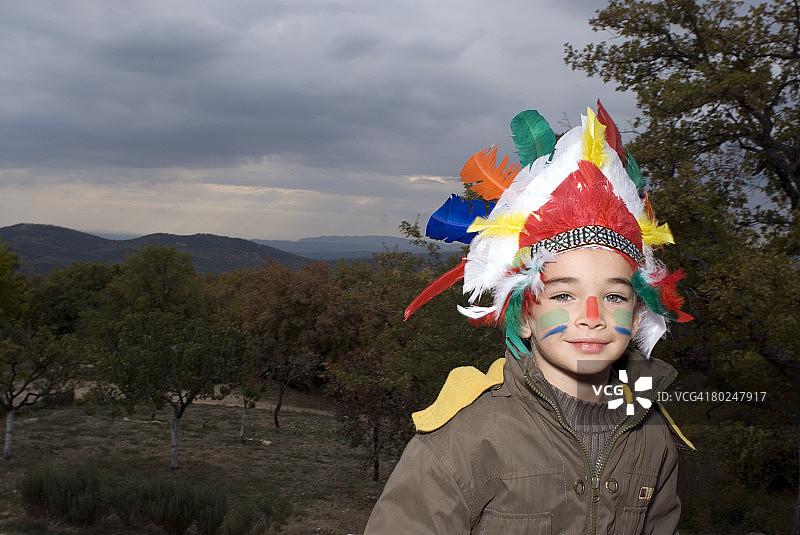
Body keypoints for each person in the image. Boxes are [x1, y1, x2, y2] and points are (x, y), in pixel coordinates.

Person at [364, 102, 695, 534]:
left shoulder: (651, 433)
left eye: (613, 295)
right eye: (563, 294)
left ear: (636, 317)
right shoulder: (465, 439)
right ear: (523, 317)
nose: (591, 316)